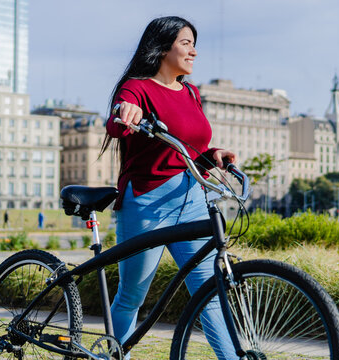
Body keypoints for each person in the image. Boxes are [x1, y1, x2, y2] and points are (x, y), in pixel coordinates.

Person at [100, 16, 238, 359]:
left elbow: (186, 150)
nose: (194, 51)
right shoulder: (137, 87)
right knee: (132, 295)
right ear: (163, 48)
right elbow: (117, 123)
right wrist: (125, 112)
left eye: (194, 44)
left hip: (191, 197)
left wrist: (212, 155)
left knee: (209, 294)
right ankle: (116, 356)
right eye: (186, 43)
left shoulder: (191, 92)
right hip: (147, 202)